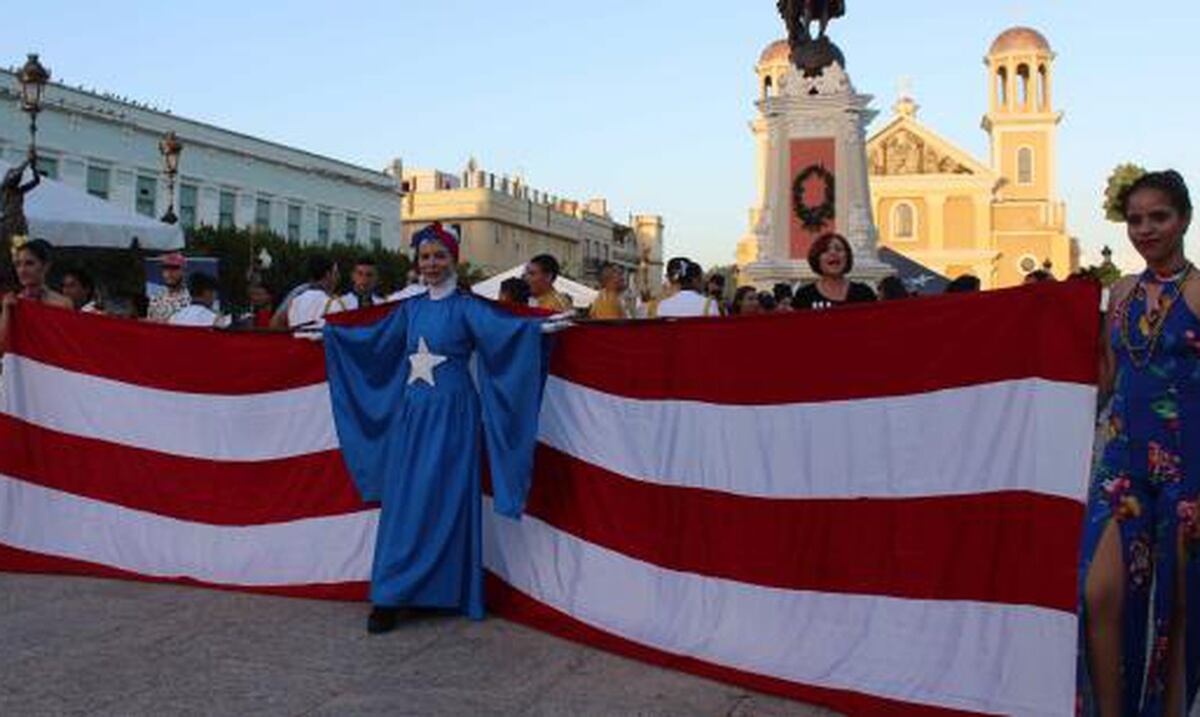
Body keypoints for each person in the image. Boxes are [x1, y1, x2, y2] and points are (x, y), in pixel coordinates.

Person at [323, 221, 548, 634]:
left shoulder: (467, 307)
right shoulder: (410, 309)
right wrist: (332, 337)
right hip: (413, 415)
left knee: (447, 500)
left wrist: (536, 329)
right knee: (405, 501)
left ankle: (441, 591)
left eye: (439, 256)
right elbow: (373, 340)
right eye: (425, 257)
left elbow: (504, 331)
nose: (431, 264)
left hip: (456, 415)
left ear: (453, 260)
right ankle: (391, 594)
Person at [1079, 171, 1200, 717]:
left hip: (1188, 469)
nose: (1145, 229)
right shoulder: (1123, 292)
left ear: (1184, 219)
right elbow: (1107, 376)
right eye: (1135, 220)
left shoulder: (1198, 292)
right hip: (1122, 465)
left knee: (1181, 609)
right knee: (1099, 592)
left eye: (1159, 217)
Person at [0, 239, 74, 358]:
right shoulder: (11, 302)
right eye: (18, 264)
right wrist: (6, 311)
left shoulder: (62, 303)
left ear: (46, 266)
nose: (22, 270)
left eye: (29, 263)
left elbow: (69, 345)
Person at [792, 233, 877, 310]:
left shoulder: (864, 293)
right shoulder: (804, 295)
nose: (833, 253)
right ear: (817, 258)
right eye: (825, 250)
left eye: (838, 249)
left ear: (847, 257)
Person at [287, 255, 346, 332]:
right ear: (328, 275)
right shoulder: (335, 304)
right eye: (335, 273)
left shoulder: (295, 302)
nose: (338, 277)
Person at [657, 258, 721, 318]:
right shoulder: (709, 305)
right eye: (701, 279)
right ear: (695, 280)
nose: (703, 283)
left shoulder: (663, 305)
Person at [147, 253, 191, 322]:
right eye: (166, 268)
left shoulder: (190, 298)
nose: (169, 273)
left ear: (184, 271)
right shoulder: (156, 298)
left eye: (174, 268)